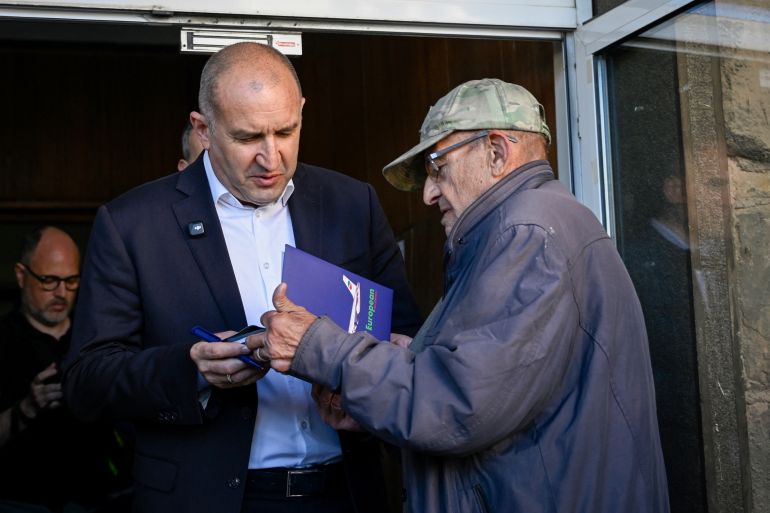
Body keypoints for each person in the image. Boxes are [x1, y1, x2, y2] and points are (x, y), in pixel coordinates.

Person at [251, 78, 670, 513]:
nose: (429, 194)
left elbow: (459, 406)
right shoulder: (535, 223)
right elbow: (497, 388)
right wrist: (406, 365)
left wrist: (322, 348)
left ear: (496, 152)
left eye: (437, 168)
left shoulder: (525, 233)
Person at [63, 42, 421, 513]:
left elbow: (410, 334)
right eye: (249, 137)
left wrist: (370, 382)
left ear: (302, 113)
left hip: (347, 492)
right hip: (210, 497)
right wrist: (191, 371)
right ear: (203, 130)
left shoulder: (352, 204)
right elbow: (87, 381)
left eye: (286, 131)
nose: (271, 158)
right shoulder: (133, 225)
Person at [0, 226, 130, 512]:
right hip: (23, 501)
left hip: (102, 498)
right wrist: (27, 408)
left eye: (71, 280)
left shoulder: (99, 338)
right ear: (21, 276)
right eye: (49, 280)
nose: (62, 293)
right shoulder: (4, 341)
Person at [624, 173, 707, 513]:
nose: (725, 199)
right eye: (712, 186)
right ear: (674, 189)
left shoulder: (708, 252)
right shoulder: (641, 259)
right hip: (671, 429)